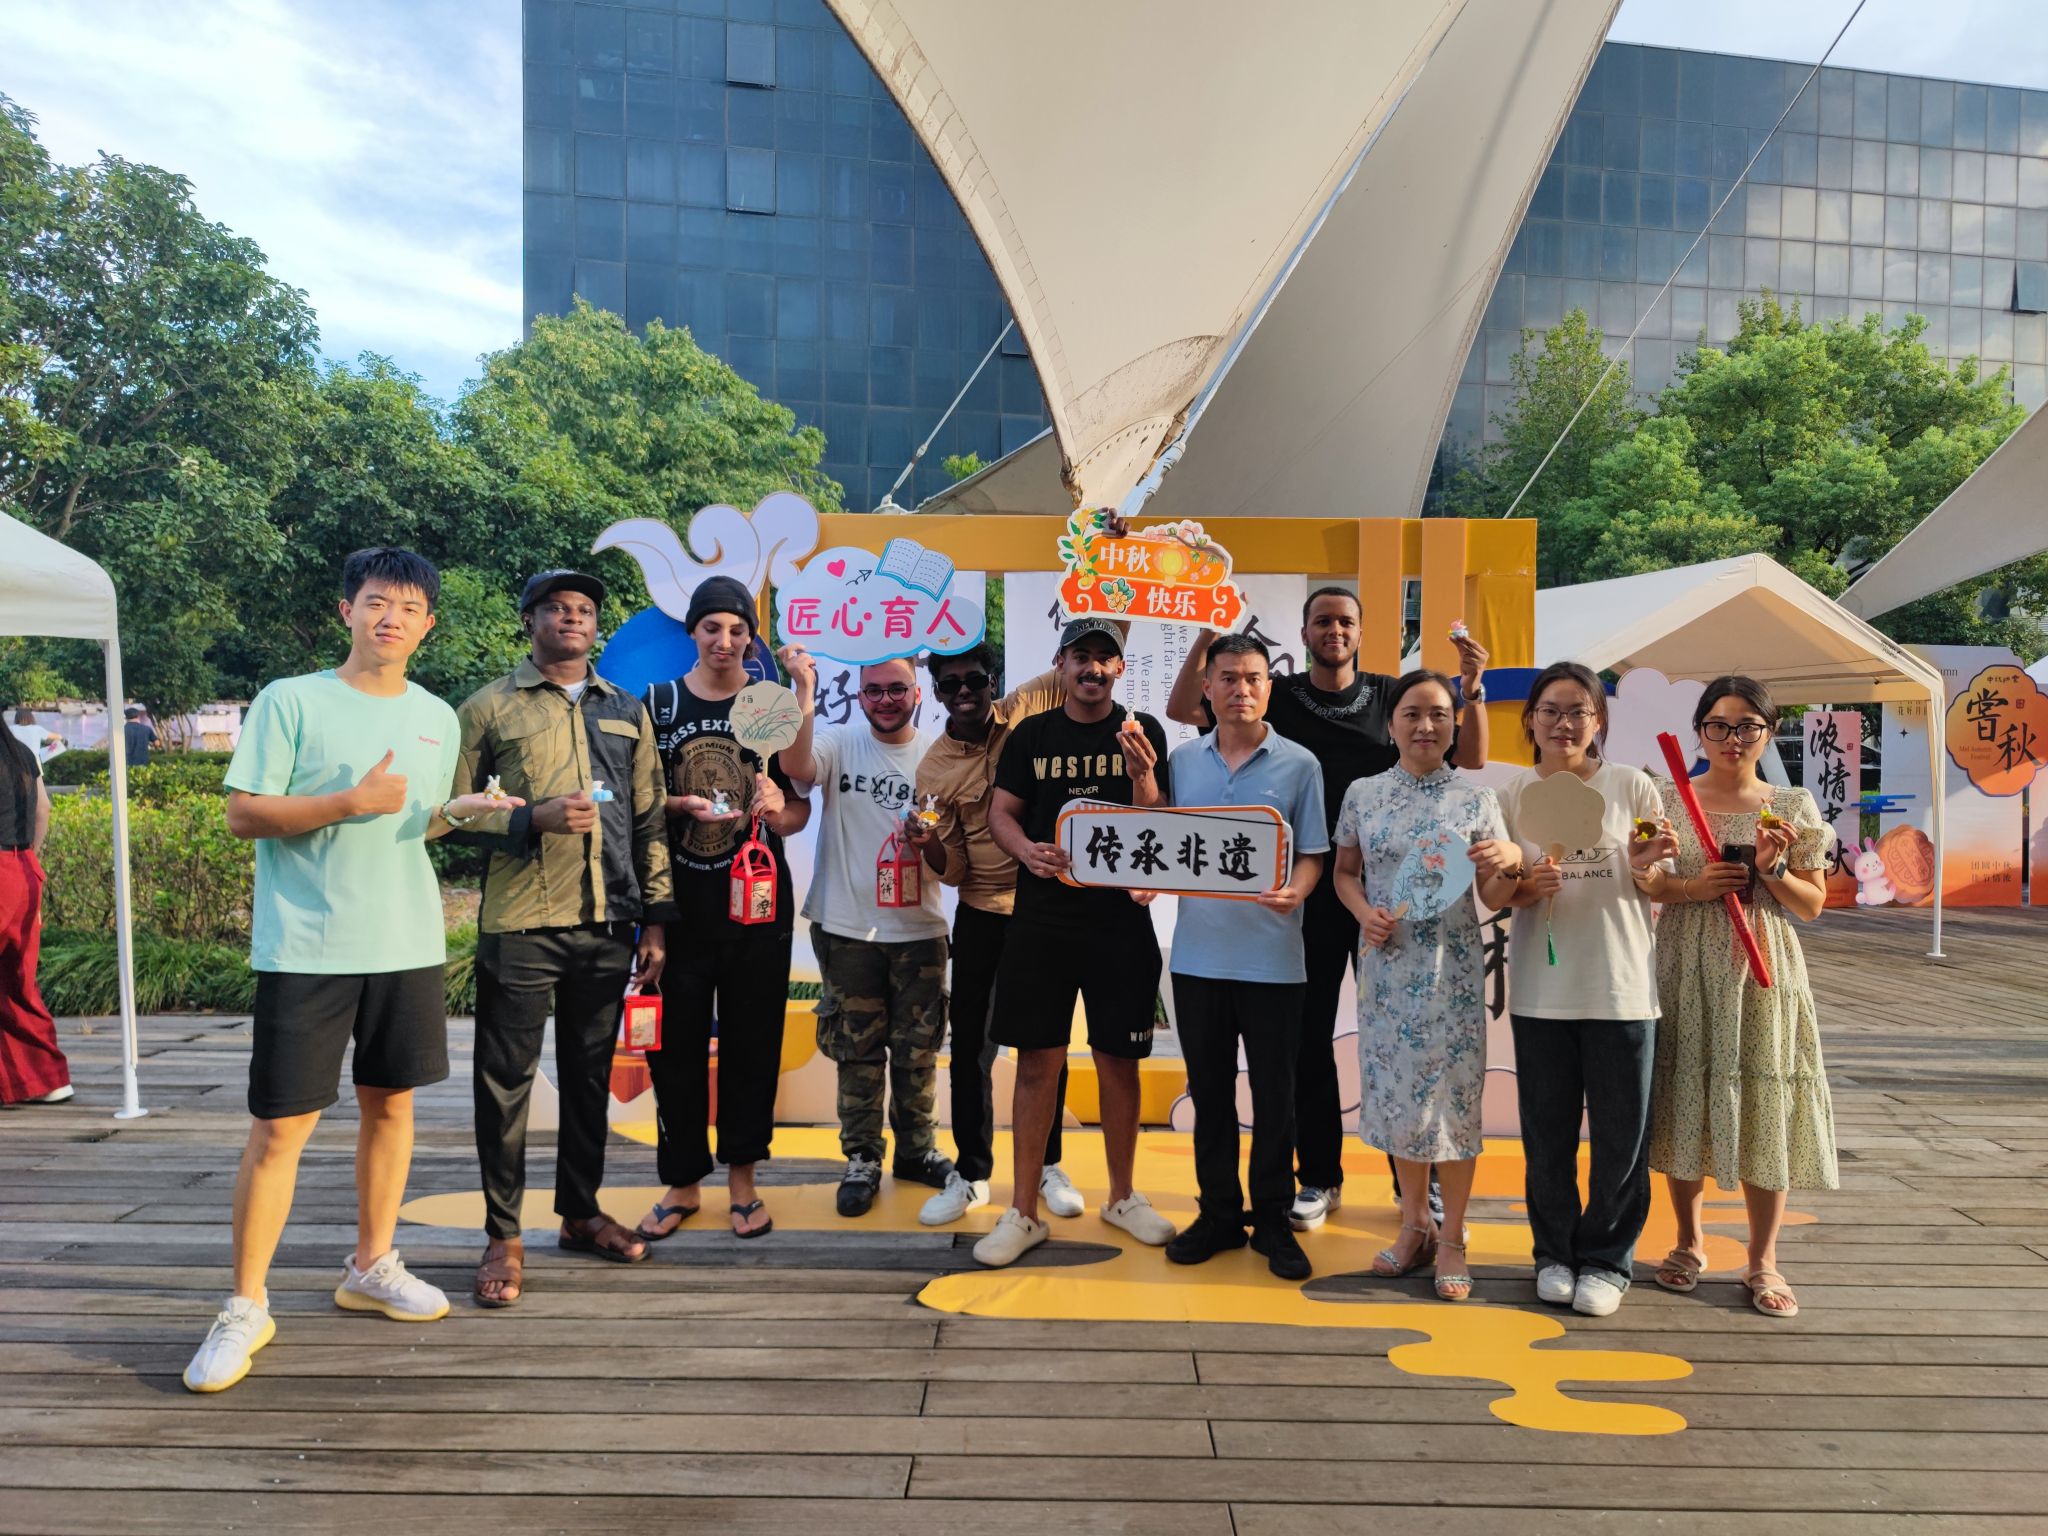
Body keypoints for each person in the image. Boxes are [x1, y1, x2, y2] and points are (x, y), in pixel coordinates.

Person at [182, 548, 517, 1393]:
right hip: (308, 947)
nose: (390, 619)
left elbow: (413, 822)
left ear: (427, 625)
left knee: (392, 1105)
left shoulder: (437, 715)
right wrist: (345, 802)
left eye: (407, 608)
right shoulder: (291, 700)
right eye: (375, 602)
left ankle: (371, 1265)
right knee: (281, 1127)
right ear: (347, 611)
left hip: (406, 942)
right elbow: (244, 814)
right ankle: (245, 1304)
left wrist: (457, 812)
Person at [1167, 589, 1490, 1232]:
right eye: (1322, 621)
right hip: (1312, 886)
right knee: (1307, 1039)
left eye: (1346, 621)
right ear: (1304, 632)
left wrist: (1473, 689)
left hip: (1395, 895)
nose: (1334, 630)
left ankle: (1416, 1184)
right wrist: (1205, 630)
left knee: (1409, 1036)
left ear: (1362, 632)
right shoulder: (1277, 692)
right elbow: (1184, 709)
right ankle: (1319, 1175)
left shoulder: (1391, 693)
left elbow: (1471, 758)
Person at [452, 569, 677, 1308]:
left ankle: (580, 1213)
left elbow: (648, 819)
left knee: (588, 1078)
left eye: (583, 609)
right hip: (521, 924)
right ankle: (503, 1235)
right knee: (505, 1083)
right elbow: (451, 812)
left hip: (607, 923)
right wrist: (529, 819)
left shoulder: (626, 709)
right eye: (556, 608)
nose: (571, 618)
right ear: (530, 621)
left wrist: (654, 920)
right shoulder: (489, 708)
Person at [975, 618, 1180, 1266]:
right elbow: (1001, 813)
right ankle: (1023, 1210)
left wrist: (1142, 774)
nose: (1093, 668)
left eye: (1104, 658)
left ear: (1120, 668)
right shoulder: (1032, 734)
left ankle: (1121, 1196)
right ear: (1060, 664)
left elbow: (1159, 822)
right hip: (1043, 921)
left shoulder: (1144, 730)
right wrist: (1024, 851)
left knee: (1120, 1061)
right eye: (1081, 656)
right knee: (1038, 1062)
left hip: (1120, 924)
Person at [1478, 661, 1674, 1317]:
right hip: (1542, 993)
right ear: (1530, 720)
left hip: (1621, 989)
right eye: (1551, 711)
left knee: (1621, 1139)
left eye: (1578, 711)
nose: (1564, 724)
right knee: (1548, 1139)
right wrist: (1526, 885)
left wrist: (1645, 865)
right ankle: (1554, 1255)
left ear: (1599, 720)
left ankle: (1609, 1262)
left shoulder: (1633, 787)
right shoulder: (1509, 796)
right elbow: (1494, 893)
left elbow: (1656, 873)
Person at [1639, 676, 1836, 1319]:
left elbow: (1812, 905)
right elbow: (1651, 885)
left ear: (1769, 733)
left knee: (1765, 1097)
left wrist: (1772, 870)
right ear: (1699, 732)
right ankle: (1688, 1242)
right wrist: (1693, 886)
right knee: (1687, 1091)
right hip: (1686, 962)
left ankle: (1763, 1258)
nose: (1732, 738)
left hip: (1762, 967)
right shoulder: (1667, 797)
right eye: (1719, 725)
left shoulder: (1791, 805)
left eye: (1748, 725)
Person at [1332, 670, 1519, 1302]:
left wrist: (1509, 864)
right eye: (1411, 713)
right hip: (1387, 970)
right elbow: (1345, 871)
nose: (1425, 726)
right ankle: (1415, 1224)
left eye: (1439, 713)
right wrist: (1364, 913)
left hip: (1454, 972)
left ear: (1455, 725)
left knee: (1454, 1102)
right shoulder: (1363, 793)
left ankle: (1454, 1236)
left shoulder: (1477, 800)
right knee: (1400, 1098)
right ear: (1391, 724)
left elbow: (1495, 895)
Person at [639, 576, 811, 1241]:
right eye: (712, 627)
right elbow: (635, 808)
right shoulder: (658, 703)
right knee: (674, 1047)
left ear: (751, 639)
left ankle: (743, 1179)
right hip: (678, 905)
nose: (725, 640)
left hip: (756, 905)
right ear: (692, 631)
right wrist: (677, 806)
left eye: (738, 630)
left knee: (753, 1042)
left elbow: (797, 809)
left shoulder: (765, 703)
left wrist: (779, 806)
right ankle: (682, 1181)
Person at [1160, 634, 1327, 1281]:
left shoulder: (1300, 764)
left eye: (1253, 678)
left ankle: (1274, 1220)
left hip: (1273, 961)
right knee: (1210, 1096)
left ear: (1269, 687)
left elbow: (1312, 853)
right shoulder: (1182, 761)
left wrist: (1298, 891)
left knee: (1275, 1098)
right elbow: (1163, 840)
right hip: (1197, 959)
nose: (1241, 689)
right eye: (1227, 677)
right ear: (1207, 688)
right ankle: (1219, 1215)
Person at [904, 641, 1083, 1227]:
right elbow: (954, 869)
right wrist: (927, 843)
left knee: (1044, 1046)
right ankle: (973, 1172)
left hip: (1047, 905)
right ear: (936, 693)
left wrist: (1113, 585)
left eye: (974, 680)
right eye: (950, 684)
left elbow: (1088, 654)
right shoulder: (933, 769)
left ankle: (1048, 1165)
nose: (964, 691)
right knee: (971, 1051)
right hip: (982, 913)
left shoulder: (1028, 706)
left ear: (993, 681)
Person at [779, 644, 955, 1217]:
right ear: (859, 696)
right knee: (856, 1053)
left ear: (917, 694)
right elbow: (797, 769)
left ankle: (917, 1151)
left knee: (918, 1053)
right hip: (847, 927)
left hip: (920, 929)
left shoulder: (938, 757)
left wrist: (929, 841)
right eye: (874, 690)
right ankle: (861, 1157)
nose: (885, 700)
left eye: (897, 689)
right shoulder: (838, 742)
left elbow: (954, 852)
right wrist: (804, 691)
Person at [0, 725, 70, 1106]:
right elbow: (43, 808)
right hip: (24, 869)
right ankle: (46, 1078)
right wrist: (29, 861)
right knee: (18, 983)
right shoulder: (22, 753)